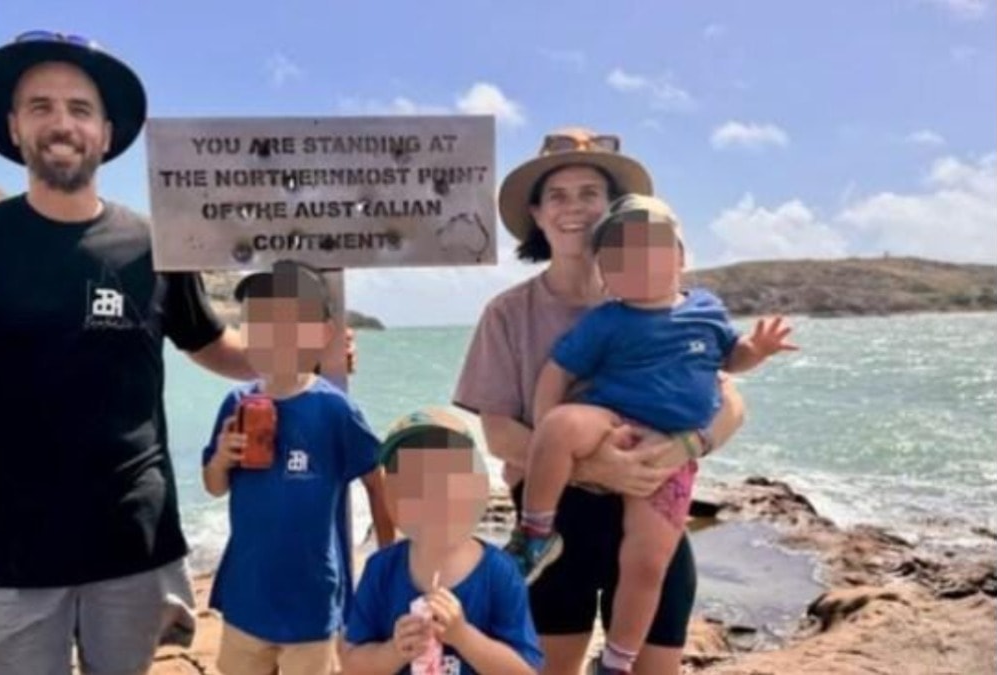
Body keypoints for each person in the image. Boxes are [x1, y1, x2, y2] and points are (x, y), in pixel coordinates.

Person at [0, 32, 355, 675]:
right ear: (14, 127)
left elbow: (213, 346)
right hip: (1, 544)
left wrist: (306, 355)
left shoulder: (155, 247)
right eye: (41, 107)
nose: (61, 123)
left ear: (105, 133)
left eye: (80, 108)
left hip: (132, 538)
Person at [453, 127, 747, 675]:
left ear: (614, 207)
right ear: (537, 215)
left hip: (654, 513)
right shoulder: (508, 313)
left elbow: (729, 400)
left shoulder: (665, 300)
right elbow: (498, 434)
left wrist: (685, 446)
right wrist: (598, 468)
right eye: (557, 196)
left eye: (590, 193)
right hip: (555, 528)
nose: (574, 208)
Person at [506, 193, 797, 674]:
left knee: (647, 564)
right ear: (604, 271)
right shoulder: (607, 320)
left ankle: (616, 662)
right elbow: (558, 370)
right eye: (619, 257)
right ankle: (536, 533)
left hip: (670, 451)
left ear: (680, 257)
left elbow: (731, 365)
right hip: (612, 422)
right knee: (558, 425)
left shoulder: (706, 311)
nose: (637, 264)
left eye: (651, 251)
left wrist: (757, 350)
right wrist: (551, 432)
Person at [202, 260, 395, 675]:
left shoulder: (334, 410)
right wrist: (220, 459)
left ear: (321, 334)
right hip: (247, 595)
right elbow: (214, 486)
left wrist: (387, 564)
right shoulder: (236, 404)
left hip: (313, 601)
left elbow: (377, 483)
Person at [341, 407, 543, 675]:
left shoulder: (499, 573)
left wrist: (464, 637)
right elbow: (351, 664)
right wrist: (394, 651)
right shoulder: (381, 570)